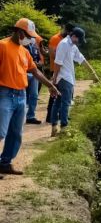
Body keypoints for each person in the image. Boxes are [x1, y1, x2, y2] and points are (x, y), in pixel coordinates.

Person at [0, 18, 60, 177]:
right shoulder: (2, 46)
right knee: (0, 132)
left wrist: (50, 85)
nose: (31, 39)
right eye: (29, 36)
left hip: (21, 95)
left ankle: (4, 163)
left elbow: (35, 71)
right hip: (4, 94)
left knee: (16, 133)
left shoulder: (24, 51)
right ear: (19, 32)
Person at [51, 27, 98, 137]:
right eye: (79, 39)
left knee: (58, 102)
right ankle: (63, 128)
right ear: (74, 36)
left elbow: (82, 59)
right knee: (65, 103)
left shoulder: (72, 46)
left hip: (67, 78)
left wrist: (93, 73)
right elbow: (58, 63)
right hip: (64, 78)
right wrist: (54, 80)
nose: (79, 42)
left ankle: (54, 128)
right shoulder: (64, 44)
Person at [45, 23, 74, 123]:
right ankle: (49, 116)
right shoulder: (55, 39)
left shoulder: (68, 41)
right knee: (54, 95)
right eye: (69, 32)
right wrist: (62, 55)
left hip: (65, 71)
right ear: (66, 30)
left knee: (64, 95)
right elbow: (52, 54)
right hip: (55, 69)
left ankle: (63, 115)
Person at [25, 38, 42, 124]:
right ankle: (19, 116)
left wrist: (38, 63)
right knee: (22, 95)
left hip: (34, 74)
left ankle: (31, 116)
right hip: (24, 73)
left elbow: (39, 59)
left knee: (34, 95)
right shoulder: (22, 46)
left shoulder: (35, 47)